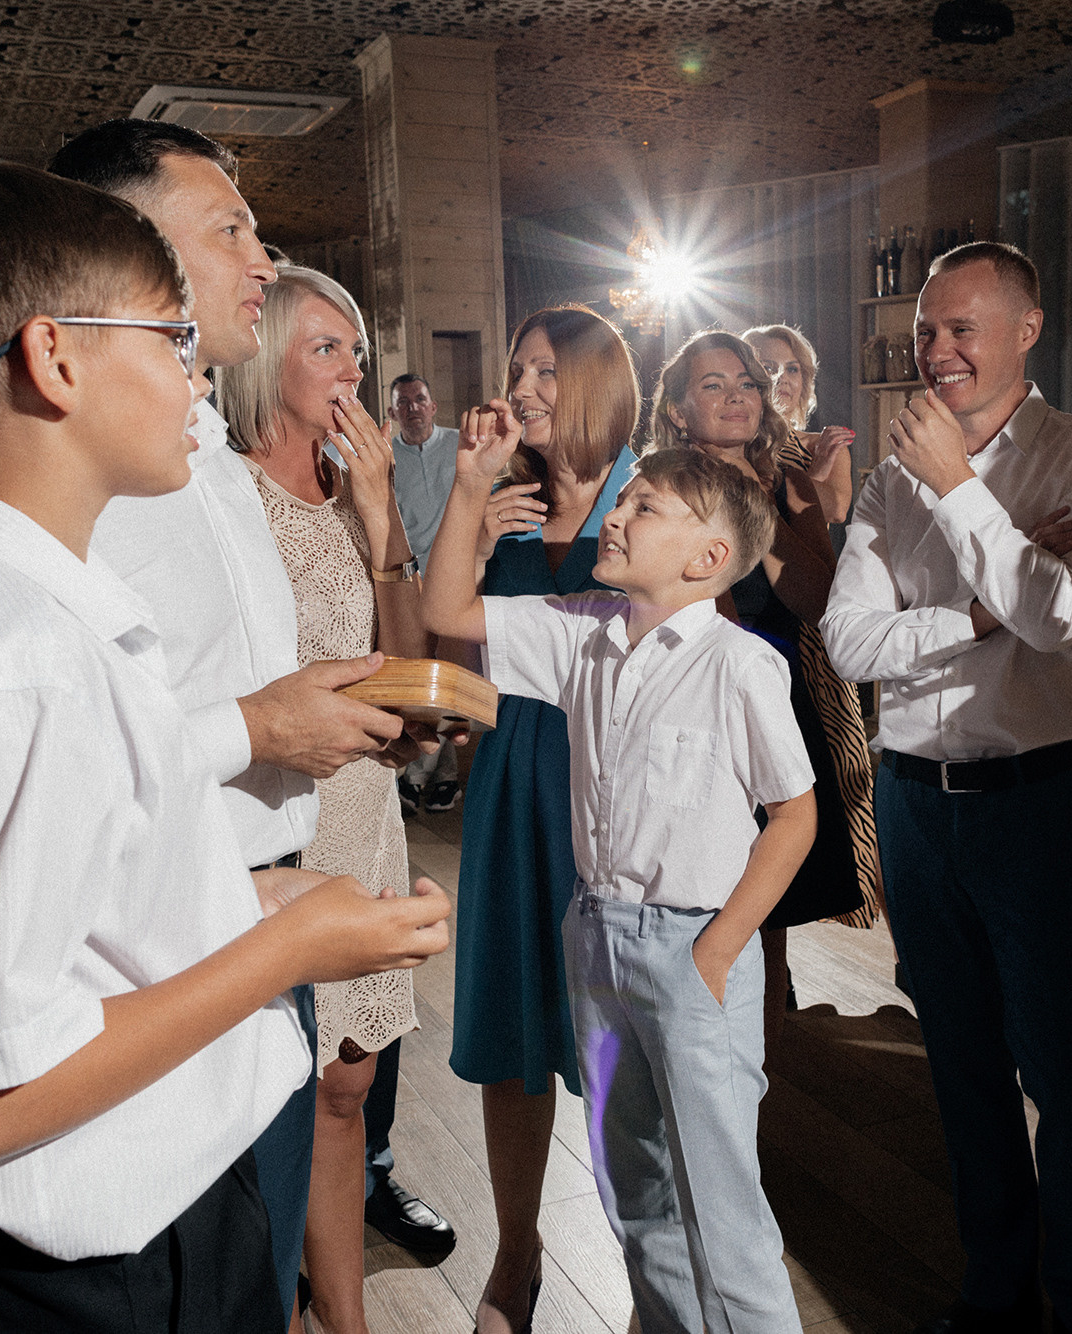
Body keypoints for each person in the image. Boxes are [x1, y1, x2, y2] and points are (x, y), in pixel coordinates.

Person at [0, 161, 451, 1334]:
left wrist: (250, 895)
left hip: (152, 1196)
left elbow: (77, 880)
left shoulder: (35, 616)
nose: (195, 377)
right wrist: (289, 945)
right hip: (99, 1247)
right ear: (55, 359)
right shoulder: (7, 662)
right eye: (168, 340)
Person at [425, 434, 816, 1334]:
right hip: (595, 939)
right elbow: (449, 605)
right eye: (624, 500)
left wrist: (717, 948)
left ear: (709, 558)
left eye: (644, 508)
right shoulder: (579, 633)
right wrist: (467, 486)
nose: (618, 514)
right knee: (632, 1194)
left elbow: (794, 817)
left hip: (693, 950)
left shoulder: (739, 664)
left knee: (722, 1209)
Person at [820, 241, 1072, 1334]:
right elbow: (848, 640)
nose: (937, 350)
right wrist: (980, 611)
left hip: (1038, 795)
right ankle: (994, 1286)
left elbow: (1061, 614)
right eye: (924, 331)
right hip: (912, 799)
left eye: (961, 327)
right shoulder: (883, 477)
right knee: (957, 1057)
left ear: (1025, 329)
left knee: (1062, 1063)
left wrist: (957, 490)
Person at [214, 266, 449, 1332]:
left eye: (355, 348)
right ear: (264, 357)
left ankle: (346, 1321)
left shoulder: (357, 496)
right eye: (325, 348)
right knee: (268, 1092)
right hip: (268, 816)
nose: (352, 369)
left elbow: (406, 674)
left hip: (364, 809)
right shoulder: (219, 496)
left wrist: (379, 511)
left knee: (348, 1089)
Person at [447, 304, 641, 1333]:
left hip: (614, 784)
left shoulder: (649, 497)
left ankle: (636, 1254)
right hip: (515, 778)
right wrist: (467, 521)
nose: (522, 389)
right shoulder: (504, 505)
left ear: (597, 382)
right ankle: (517, 1248)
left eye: (543, 372)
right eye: (516, 368)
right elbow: (450, 646)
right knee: (513, 1027)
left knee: (614, 1037)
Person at [648, 330, 879, 1043]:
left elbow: (817, 598)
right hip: (695, 707)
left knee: (771, 899)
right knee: (701, 889)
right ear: (680, 409)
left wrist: (762, 504)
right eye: (712, 385)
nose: (736, 397)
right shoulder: (661, 484)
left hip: (783, 702)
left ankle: (760, 1064)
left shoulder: (788, 478)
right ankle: (689, 1040)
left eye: (745, 383)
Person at [388, 372, 463, 814]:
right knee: (421, 674)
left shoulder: (458, 447)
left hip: (458, 581)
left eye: (421, 399)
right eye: (404, 402)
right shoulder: (387, 456)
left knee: (448, 672)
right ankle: (435, 776)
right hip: (410, 581)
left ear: (433, 406)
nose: (413, 408)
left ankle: (425, 778)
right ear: (394, 411)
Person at [743, 323, 856, 520]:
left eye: (793, 369)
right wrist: (815, 475)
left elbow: (836, 510)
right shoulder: (733, 442)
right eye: (769, 368)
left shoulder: (823, 446)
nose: (782, 378)